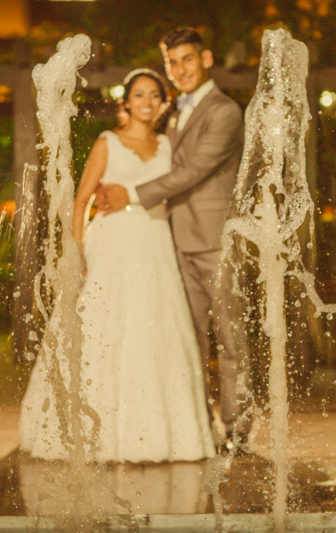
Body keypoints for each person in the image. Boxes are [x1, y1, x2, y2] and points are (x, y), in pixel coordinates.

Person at [19, 69, 215, 463]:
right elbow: (81, 200)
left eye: (154, 95)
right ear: (126, 102)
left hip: (155, 245)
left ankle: (160, 436)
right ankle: (89, 433)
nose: (146, 101)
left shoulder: (167, 145)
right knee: (102, 328)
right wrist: (75, 255)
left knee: (155, 333)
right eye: (138, 94)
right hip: (112, 246)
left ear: (162, 104)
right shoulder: (108, 142)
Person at [95, 28, 248, 450]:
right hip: (175, 240)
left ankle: (237, 431)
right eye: (172, 63)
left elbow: (194, 170)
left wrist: (132, 194)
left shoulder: (224, 111)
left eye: (187, 59)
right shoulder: (176, 111)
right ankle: (197, 427)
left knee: (231, 339)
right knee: (188, 339)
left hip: (216, 241)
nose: (180, 70)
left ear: (206, 59)